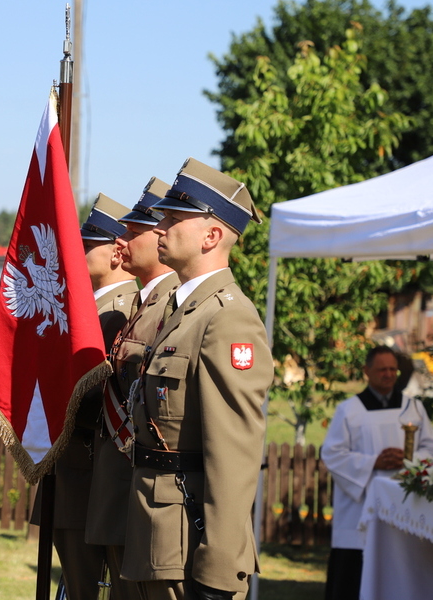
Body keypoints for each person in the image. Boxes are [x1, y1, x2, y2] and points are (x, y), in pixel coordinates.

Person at [122, 158, 273, 599]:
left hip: (186, 539)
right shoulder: (181, 311)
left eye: (173, 218)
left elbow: (234, 454)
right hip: (156, 531)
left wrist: (219, 569)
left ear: (211, 235)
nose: (160, 228)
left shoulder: (226, 319)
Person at [35, 193, 139, 600]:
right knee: (74, 583)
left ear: (116, 253)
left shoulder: (121, 309)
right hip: (74, 466)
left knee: (86, 586)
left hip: (89, 468)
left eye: (88, 243)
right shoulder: (92, 306)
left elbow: (101, 392)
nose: (77, 250)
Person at [86, 177, 177, 600]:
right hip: (116, 476)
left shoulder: (166, 305)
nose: (121, 241)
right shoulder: (146, 303)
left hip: (137, 481)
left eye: (133, 232)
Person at [321, 345, 433, 600]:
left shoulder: (413, 408)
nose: (389, 374)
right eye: (382, 369)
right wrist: (373, 462)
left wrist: (409, 458)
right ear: (367, 371)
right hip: (361, 510)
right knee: (353, 581)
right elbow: (332, 454)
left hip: (405, 509)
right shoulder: (349, 410)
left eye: (393, 369)